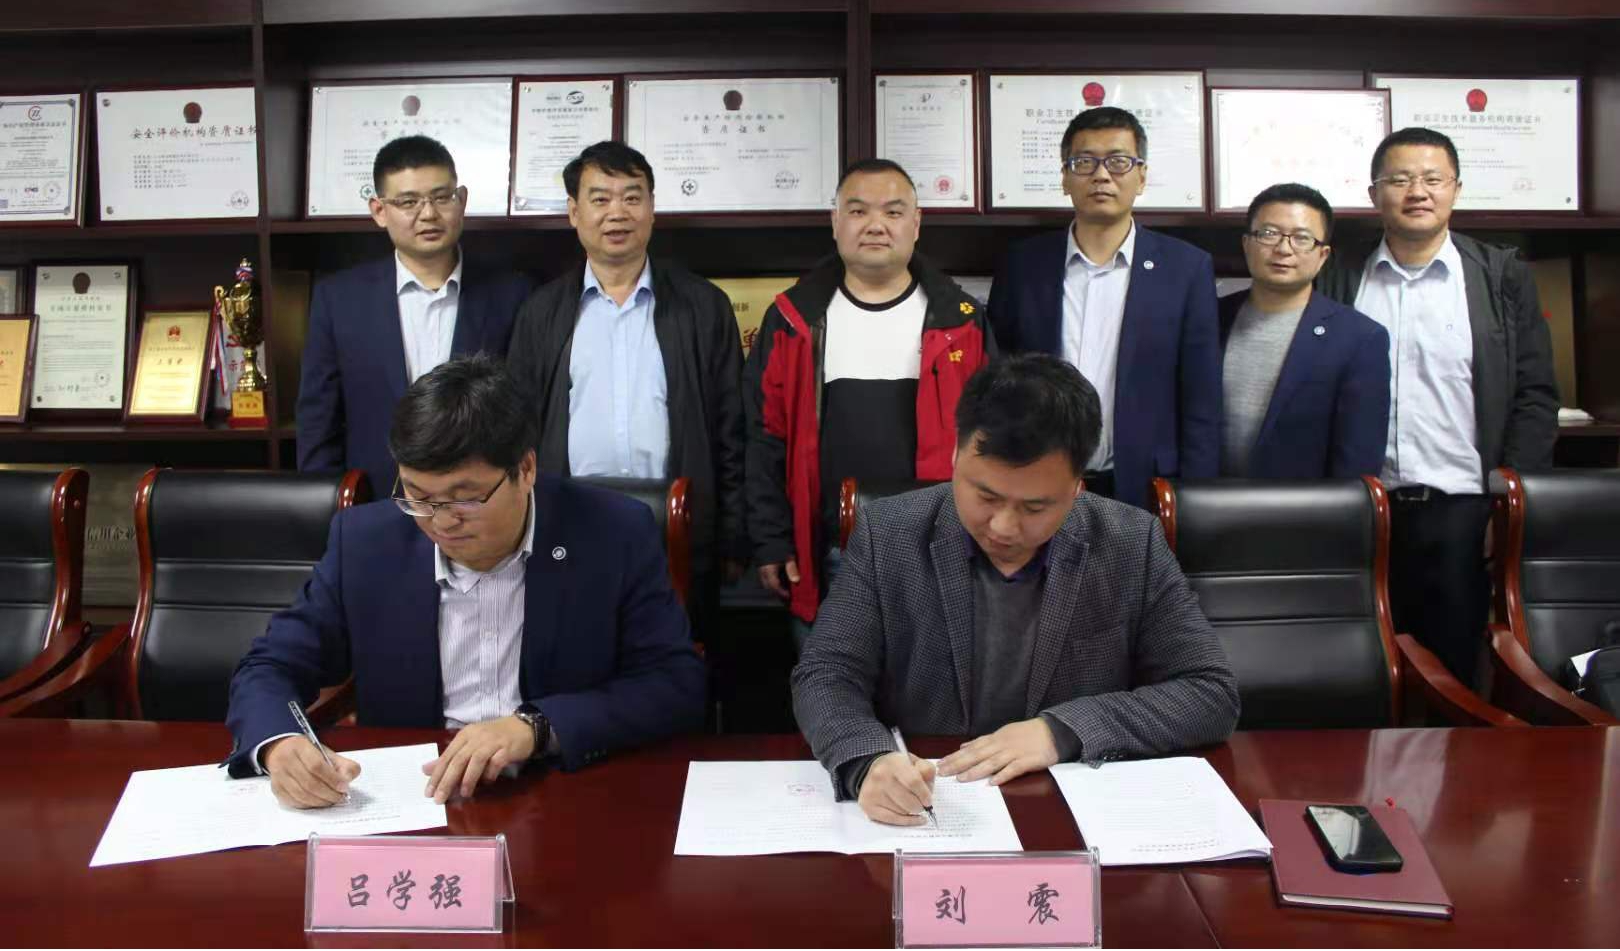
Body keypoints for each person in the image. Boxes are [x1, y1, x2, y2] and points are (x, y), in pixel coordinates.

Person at [227, 355, 706, 808]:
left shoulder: (613, 533)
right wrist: (279, 743)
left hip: (565, 794)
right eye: (418, 496)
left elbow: (674, 684)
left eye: (465, 498)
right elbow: (270, 665)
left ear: (525, 469)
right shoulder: (367, 543)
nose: (440, 521)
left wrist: (537, 727)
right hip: (416, 799)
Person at [792, 353, 1239, 826]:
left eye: (1034, 507)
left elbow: (1209, 692)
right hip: (933, 802)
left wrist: (1061, 731)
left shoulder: (1130, 543)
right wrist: (867, 761)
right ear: (955, 457)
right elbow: (827, 673)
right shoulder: (889, 533)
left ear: (1077, 488)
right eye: (985, 496)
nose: (1003, 527)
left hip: (1065, 812)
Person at [1317, 126, 1559, 683]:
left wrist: (1508, 505)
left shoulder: (1499, 276)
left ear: (1456, 189)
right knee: (1361, 672)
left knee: (1455, 674)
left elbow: (1535, 395)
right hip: (1361, 509)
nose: (1417, 192)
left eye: (1432, 179)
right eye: (1400, 179)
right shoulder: (1338, 273)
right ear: (1374, 193)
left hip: (1464, 512)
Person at [743, 158, 995, 647]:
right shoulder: (793, 320)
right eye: (858, 211)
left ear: (916, 223)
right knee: (831, 683)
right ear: (835, 221)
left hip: (938, 548)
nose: (876, 225)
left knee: (933, 688)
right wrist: (770, 538)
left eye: (893, 212)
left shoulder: (962, 320)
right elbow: (763, 436)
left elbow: (992, 440)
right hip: (825, 552)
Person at [507, 141, 746, 632]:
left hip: (675, 528)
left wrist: (731, 535)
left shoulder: (704, 306)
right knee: (576, 655)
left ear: (652, 208)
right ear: (574, 212)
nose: (617, 212)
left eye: (632, 197)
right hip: (568, 525)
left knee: (674, 656)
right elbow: (517, 430)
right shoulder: (541, 312)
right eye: (600, 199)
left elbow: (731, 430)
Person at [988, 106, 1220, 508]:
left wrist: (1194, 500)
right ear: (1064, 177)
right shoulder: (1023, 265)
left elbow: (1202, 399)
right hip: (1036, 485)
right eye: (1084, 162)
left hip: (1145, 489)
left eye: (1118, 161)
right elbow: (999, 379)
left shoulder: (1186, 269)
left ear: (1141, 177)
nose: (1101, 175)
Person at [297, 135, 532, 499]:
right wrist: (325, 506)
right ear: (379, 210)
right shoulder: (338, 299)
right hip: (375, 499)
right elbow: (318, 419)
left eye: (442, 197)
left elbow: (524, 411)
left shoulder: (512, 294)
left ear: (462, 200)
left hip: (479, 503)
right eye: (408, 202)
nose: (428, 214)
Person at [1219, 183, 1390, 478]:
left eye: (1302, 238)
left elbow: (1358, 463)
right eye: (1269, 233)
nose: (1284, 249)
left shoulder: (1359, 339)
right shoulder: (1209, 318)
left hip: (1305, 504)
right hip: (1206, 499)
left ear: (1323, 255)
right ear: (1247, 243)